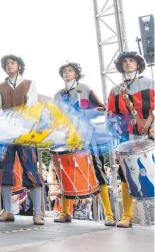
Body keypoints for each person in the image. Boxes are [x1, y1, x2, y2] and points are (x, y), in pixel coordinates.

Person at [53, 62, 115, 226]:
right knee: (65, 173)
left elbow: (101, 108)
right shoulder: (58, 95)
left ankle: (108, 214)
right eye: (64, 71)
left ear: (76, 74)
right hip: (67, 139)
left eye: (70, 71)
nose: (67, 73)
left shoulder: (84, 89)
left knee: (98, 171)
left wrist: (81, 114)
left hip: (88, 137)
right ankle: (65, 211)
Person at [0, 54, 44, 225]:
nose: (9, 65)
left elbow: (31, 108)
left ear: (19, 66)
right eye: (7, 63)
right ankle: (8, 210)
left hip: (24, 133)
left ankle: (37, 212)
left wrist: (20, 124)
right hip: (6, 134)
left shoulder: (29, 84)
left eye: (12, 63)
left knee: (31, 169)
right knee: (4, 169)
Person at [107, 52, 154, 228]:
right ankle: (126, 216)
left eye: (131, 61)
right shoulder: (115, 91)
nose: (128, 64)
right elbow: (111, 114)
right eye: (125, 61)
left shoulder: (150, 83)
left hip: (151, 134)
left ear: (138, 64)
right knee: (126, 174)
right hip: (128, 139)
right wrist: (114, 129)